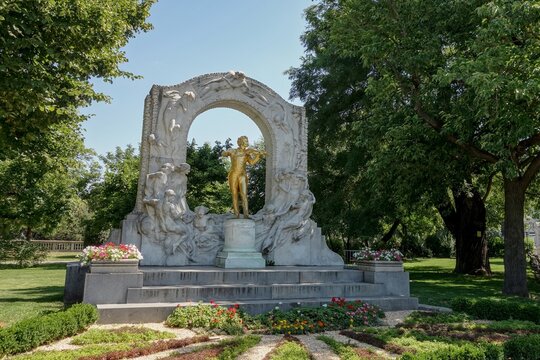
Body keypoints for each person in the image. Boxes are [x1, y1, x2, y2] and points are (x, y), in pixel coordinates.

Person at [222, 136, 265, 218]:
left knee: (244, 194)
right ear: (241, 142)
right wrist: (225, 153)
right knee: (234, 194)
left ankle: (246, 214)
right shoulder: (233, 151)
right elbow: (223, 153)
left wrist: (258, 156)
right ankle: (236, 214)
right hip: (233, 174)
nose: (247, 142)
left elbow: (252, 163)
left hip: (242, 175)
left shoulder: (247, 153)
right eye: (245, 141)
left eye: (247, 141)